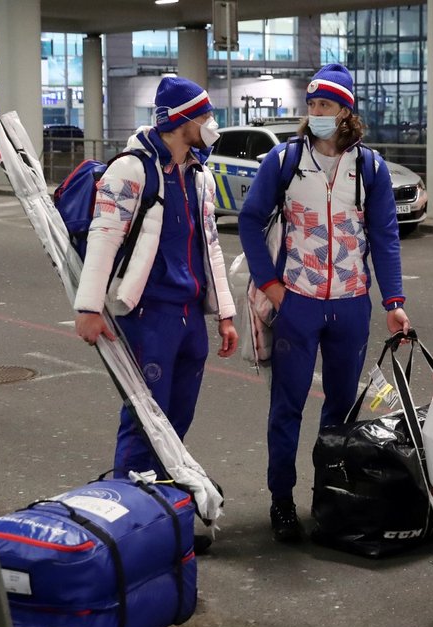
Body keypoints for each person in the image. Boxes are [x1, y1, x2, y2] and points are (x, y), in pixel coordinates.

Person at [238, 63, 410, 542]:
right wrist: (272, 288)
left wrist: (393, 300)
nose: (316, 113)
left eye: (326, 106)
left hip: (352, 306)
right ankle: (281, 500)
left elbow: (385, 236)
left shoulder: (369, 168)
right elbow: (251, 222)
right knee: (287, 407)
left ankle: (328, 496)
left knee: (340, 410)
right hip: (300, 303)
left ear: (346, 112)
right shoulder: (286, 161)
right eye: (312, 105)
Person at [74, 76, 238, 482]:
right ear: (182, 121)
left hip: (190, 318)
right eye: (205, 116)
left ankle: (163, 506)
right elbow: (104, 236)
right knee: (144, 421)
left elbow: (211, 247)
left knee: (175, 424)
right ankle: (128, 510)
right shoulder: (130, 170)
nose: (211, 124)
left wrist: (225, 314)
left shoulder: (199, 176)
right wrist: (89, 307)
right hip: (148, 318)